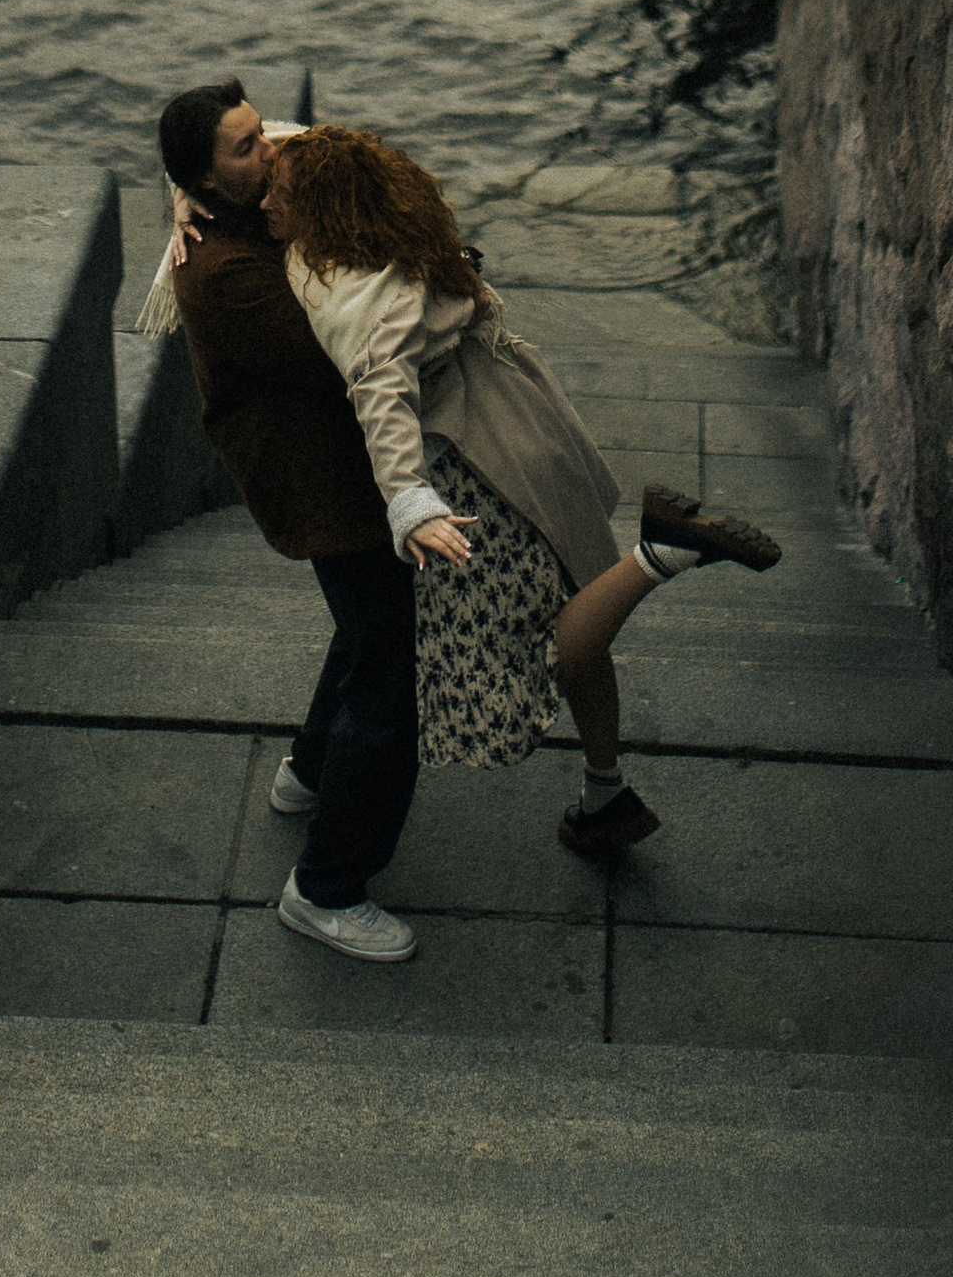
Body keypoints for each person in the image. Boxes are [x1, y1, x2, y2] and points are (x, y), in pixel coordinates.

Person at [257, 121, 780, 855]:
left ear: (321, 207)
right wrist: (187, 192)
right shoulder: (386, 225)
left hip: (478, 475)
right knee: (584, 597)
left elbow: (381, 394)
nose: (265, 204)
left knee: (551, 641)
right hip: (519, 420)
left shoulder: (355, 293)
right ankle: (605, 793)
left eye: (279, 195)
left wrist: (409, 502)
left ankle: (662, 552)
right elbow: (278, 132)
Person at [147, 79, 423, 965]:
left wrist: (193, 190)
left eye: (258, 131)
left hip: (337, 463)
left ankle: (309, 769)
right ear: (204, 179)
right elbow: (349, 349)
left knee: (365, 628)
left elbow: (320, 147)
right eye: (245, 147)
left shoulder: (238, 192)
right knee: (390, 684)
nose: (269, 150)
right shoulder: (223, 275)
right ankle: (328, 888)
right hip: (322, 484)